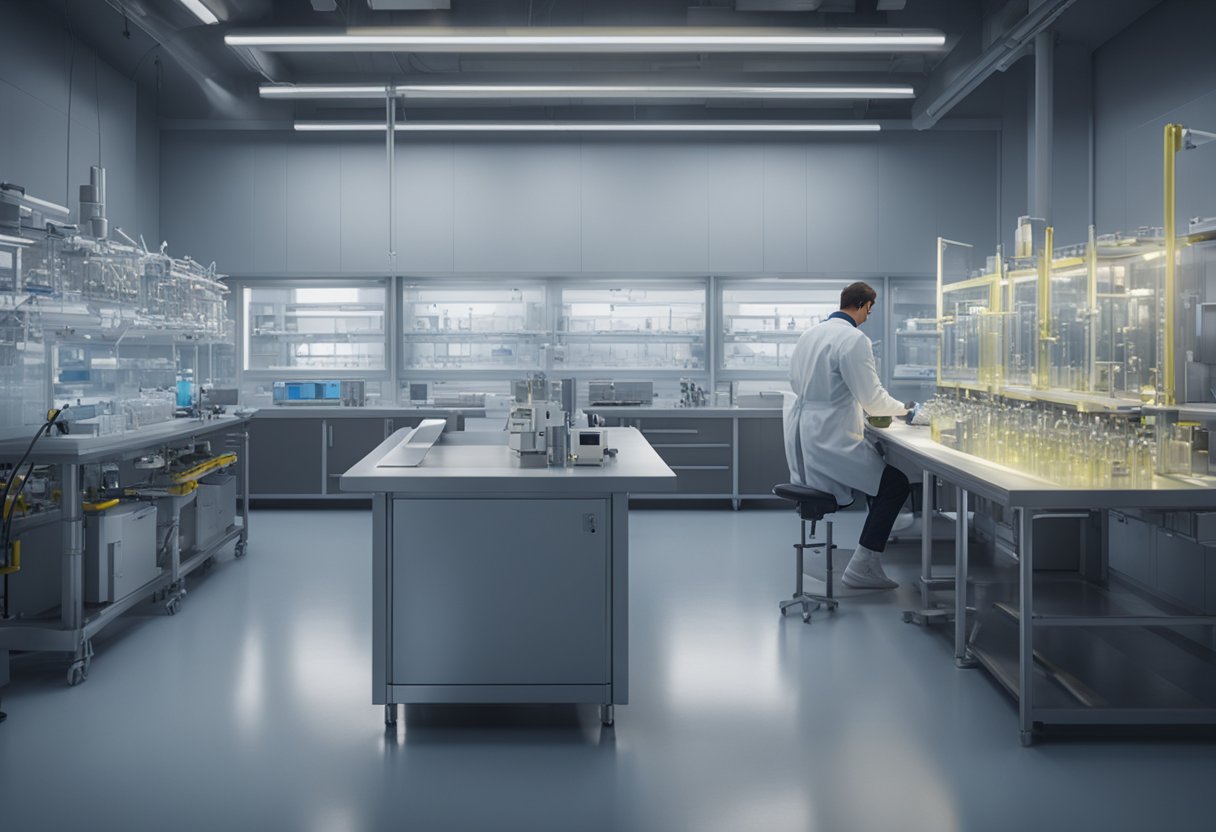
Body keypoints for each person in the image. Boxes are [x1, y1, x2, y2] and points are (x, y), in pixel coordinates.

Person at [783, 281, 914, 590]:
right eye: (871, 310)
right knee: (894, 484)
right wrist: (908, 411)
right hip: (830, 436)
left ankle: (875, 541)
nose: (869, 316)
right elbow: (873, 399)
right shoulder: (854, 339)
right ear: (865, 306)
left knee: (878, 476)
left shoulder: (809, 335)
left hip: (806, 431)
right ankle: (863, 564)